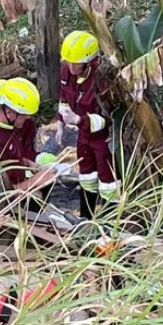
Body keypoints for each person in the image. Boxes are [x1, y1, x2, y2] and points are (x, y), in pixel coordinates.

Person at [58, 30, 119, 219]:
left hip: (103, 139)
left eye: (75, 63)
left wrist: (78, 120)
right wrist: (61, 124)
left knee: (108, 181)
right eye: (68, 61)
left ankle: (111, 219)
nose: (70, 66)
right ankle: (86, 217)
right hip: (83, 137)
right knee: (86, 175)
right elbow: (64, 97)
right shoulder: (66, 70)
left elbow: (107, 117)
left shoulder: (102, 80)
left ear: (88, 61)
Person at [0, 77, 53, 193]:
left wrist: (26, 163)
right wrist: (35, 181)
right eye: (25, 115)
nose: (28, 118)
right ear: (9, 112)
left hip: (17, 179)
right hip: (12, 202)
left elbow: (6, 158)